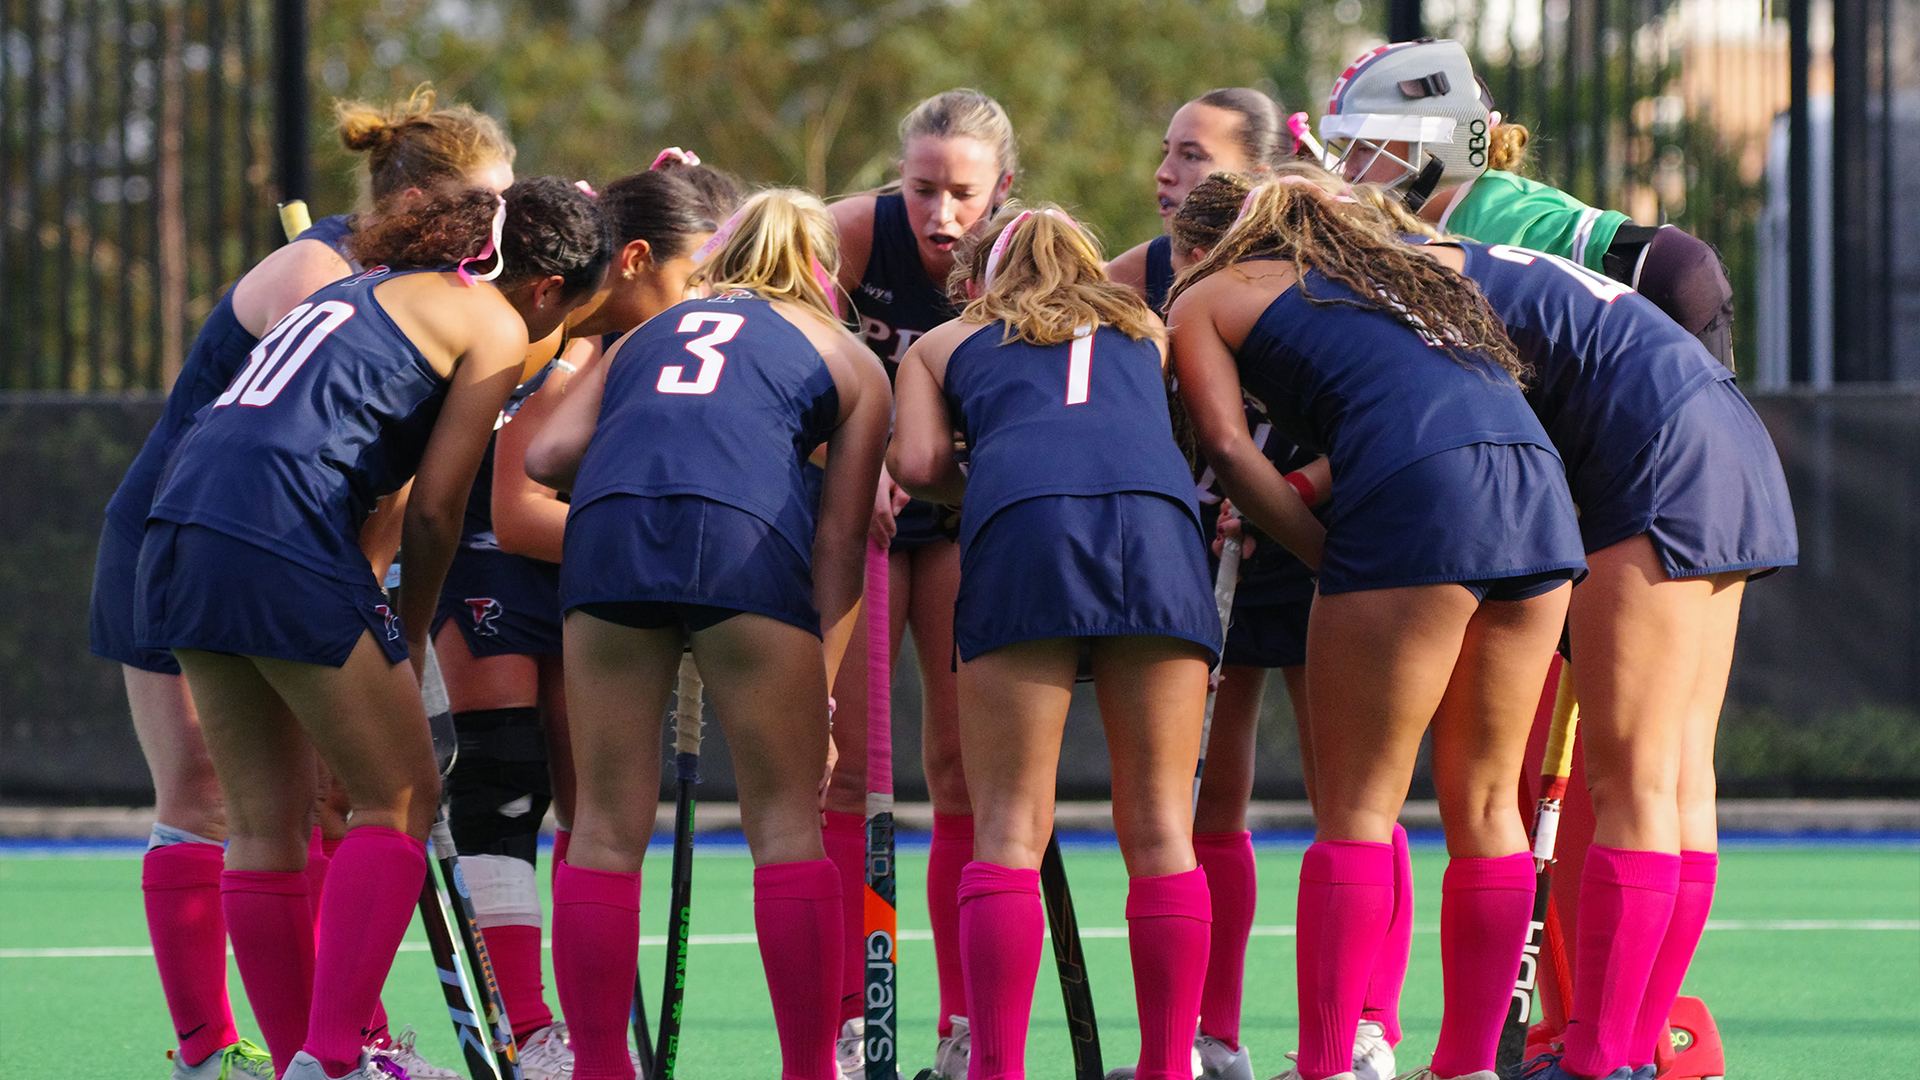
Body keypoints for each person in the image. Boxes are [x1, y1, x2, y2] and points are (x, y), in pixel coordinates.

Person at [135, 178, 610, 1080]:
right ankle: (335, 1056)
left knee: (265, 826)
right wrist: (410, 635)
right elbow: (435, 512)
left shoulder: (371, 286)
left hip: (181, 529)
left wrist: (369, 647)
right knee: (400, 796)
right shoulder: (495, 322)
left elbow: (381, 493)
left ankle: (305, 1064)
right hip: (279, 530)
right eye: (569, 321)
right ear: (548, 289)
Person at [1324, 172, 1795, 1080]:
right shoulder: (1464, 262)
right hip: (1724, 439)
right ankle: (1625, 1050)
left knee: (1632, 780)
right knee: (1676, 778)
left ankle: (1602, 1059)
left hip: (1652, 463)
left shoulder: (1400, 295)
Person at [86, 86, 514, 1080]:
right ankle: (214, 1047)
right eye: (488, 201)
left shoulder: (412, 285)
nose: (501, 228)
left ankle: (330, 1046)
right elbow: (327, 464)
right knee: (207, 790)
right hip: (189, 532)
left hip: (276, 548)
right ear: (420, 202)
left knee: (316, 801)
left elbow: (374, 486)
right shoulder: (321, 270)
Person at [1167, 177, 1585, 1080]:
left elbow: (1229, 449)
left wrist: (1325, 555)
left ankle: (1326, 1066)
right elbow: (1417, 404)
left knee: (1357, 811)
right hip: (1539, 496)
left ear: (1209, 249)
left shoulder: (1206, 295)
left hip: (1418, 507)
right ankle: (1468, 1066)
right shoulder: (1398, 272)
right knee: (1487, 807)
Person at [525, 188, 892, 1080]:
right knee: (787, 824)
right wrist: (821, 688)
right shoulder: (849, 358)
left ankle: (599, 1068)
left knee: (603, 829)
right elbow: (843, 542)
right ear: (822, 270)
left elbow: (544, 457)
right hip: (744, 542)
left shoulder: (643, 334)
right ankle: (810, 1070)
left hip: (608, 536)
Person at [890, 205, 1221, 1080]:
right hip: (1157, 529)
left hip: (1022, 531)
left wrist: (992, 475)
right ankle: (1168, 1067)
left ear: (979, 279)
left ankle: (996, 1066)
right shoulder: (1149, 326)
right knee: (1162, 827)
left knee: (1006, 828)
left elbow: (916, 466)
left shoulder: (945, 341)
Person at [433, 154, 739, 1080]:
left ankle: (588, 1031)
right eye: (697, 276)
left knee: (598, 801)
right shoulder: (573, 340)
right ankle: (532, 1033)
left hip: (583, 568)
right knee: (504, 782)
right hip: (490, 557)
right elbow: (516, 511)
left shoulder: (652, 341)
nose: (706, 302)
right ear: (637, 258)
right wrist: (667, 551)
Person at [1115, 170, 1390, 1080]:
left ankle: (1365, 1027)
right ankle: (1214, 1035)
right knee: (1211, 799)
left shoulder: (1327, 300)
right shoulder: (1153, 290)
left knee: (1350, 796)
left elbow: (1372, 430)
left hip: (1312, 543)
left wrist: (1290, 504)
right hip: (1208, 547)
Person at [826, 86, 1016, 1078]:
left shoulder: (1019, 258)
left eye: (963, 195)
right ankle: (848, 1015)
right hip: (853, 516)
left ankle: (962, 1021)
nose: (941, 215)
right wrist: (848, 463)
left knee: (960, 767)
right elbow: (775, 347)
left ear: (1004, 190)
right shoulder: (850, 237)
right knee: (847, 771)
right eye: (922, 189)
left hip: (956, 515)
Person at [1316, 38, 1737, 368]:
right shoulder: (1433, 220)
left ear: (1437, 143)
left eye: (1365, 147)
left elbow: (1686, 267)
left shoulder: (1500, 216)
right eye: (1346, 148)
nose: (1348, 170)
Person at [1108, 87, 1292, 314]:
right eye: (1166, 152)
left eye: (1191, 156)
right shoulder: (1145, 269)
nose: (1162, 173)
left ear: (1258, 179)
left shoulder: (1304, 280)